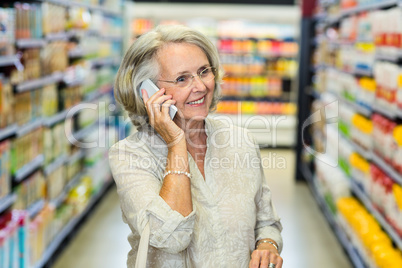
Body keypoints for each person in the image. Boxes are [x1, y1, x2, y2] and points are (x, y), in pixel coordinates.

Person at [109, 24, 283, 268]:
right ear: (147, 92)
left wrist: (268, 246)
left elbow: (267, 222)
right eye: (182, 79)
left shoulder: (240, 141)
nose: (200, 86)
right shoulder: (130, 155)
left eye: (204, 71)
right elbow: (170, 238)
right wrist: (176, 142)